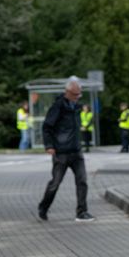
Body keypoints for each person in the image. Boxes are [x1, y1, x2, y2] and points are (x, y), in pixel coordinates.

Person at [38, 77, 94, 222]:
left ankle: (82, 212)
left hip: (76, 151)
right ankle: (43, 207)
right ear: (67, 92)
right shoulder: (57, 107)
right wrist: (49, 146)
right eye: (75, 95)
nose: (78, 97)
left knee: (82, 181)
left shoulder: (77, 107)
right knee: (55, 183)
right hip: (61, 152)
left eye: (79, 94)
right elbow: (47, 127)